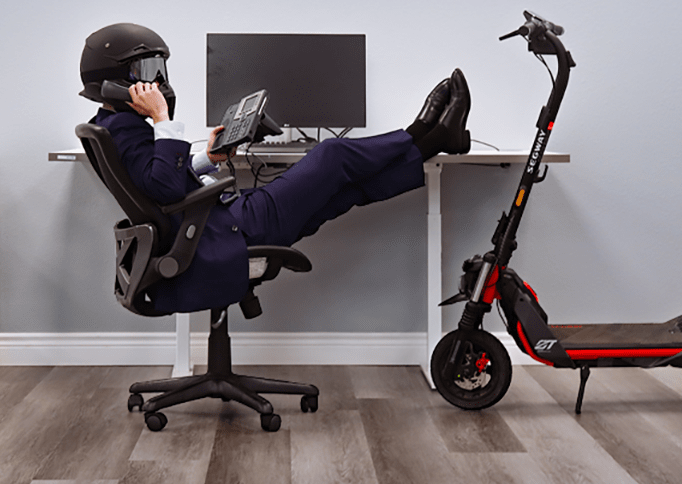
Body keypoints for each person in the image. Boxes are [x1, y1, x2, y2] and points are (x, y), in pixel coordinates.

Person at [79, 22, 471, 314]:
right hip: (227, 229)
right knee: (332, 155)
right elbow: (163, 188)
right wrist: (163, 120)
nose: (157, 82)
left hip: (215, 225)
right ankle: (422, 134)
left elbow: (152, 184)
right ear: (113, 79)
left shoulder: (111, 126)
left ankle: (432, 144)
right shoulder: (124, 128)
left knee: (346, 190)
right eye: (146, 72)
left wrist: (206, 159)